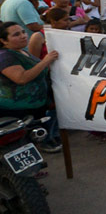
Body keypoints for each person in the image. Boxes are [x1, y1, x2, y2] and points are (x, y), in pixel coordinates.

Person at [0, 22, 62, 156]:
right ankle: (21, 176)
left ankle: (31, 172)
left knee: (32, 142)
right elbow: (21, 78)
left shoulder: (22, 52)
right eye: (16, 34)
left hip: (36, 106)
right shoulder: (5, 56)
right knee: (19, 146)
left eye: (23, 32)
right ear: (3, 41)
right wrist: (45, 61)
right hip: (16, 110)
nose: (23, 36)